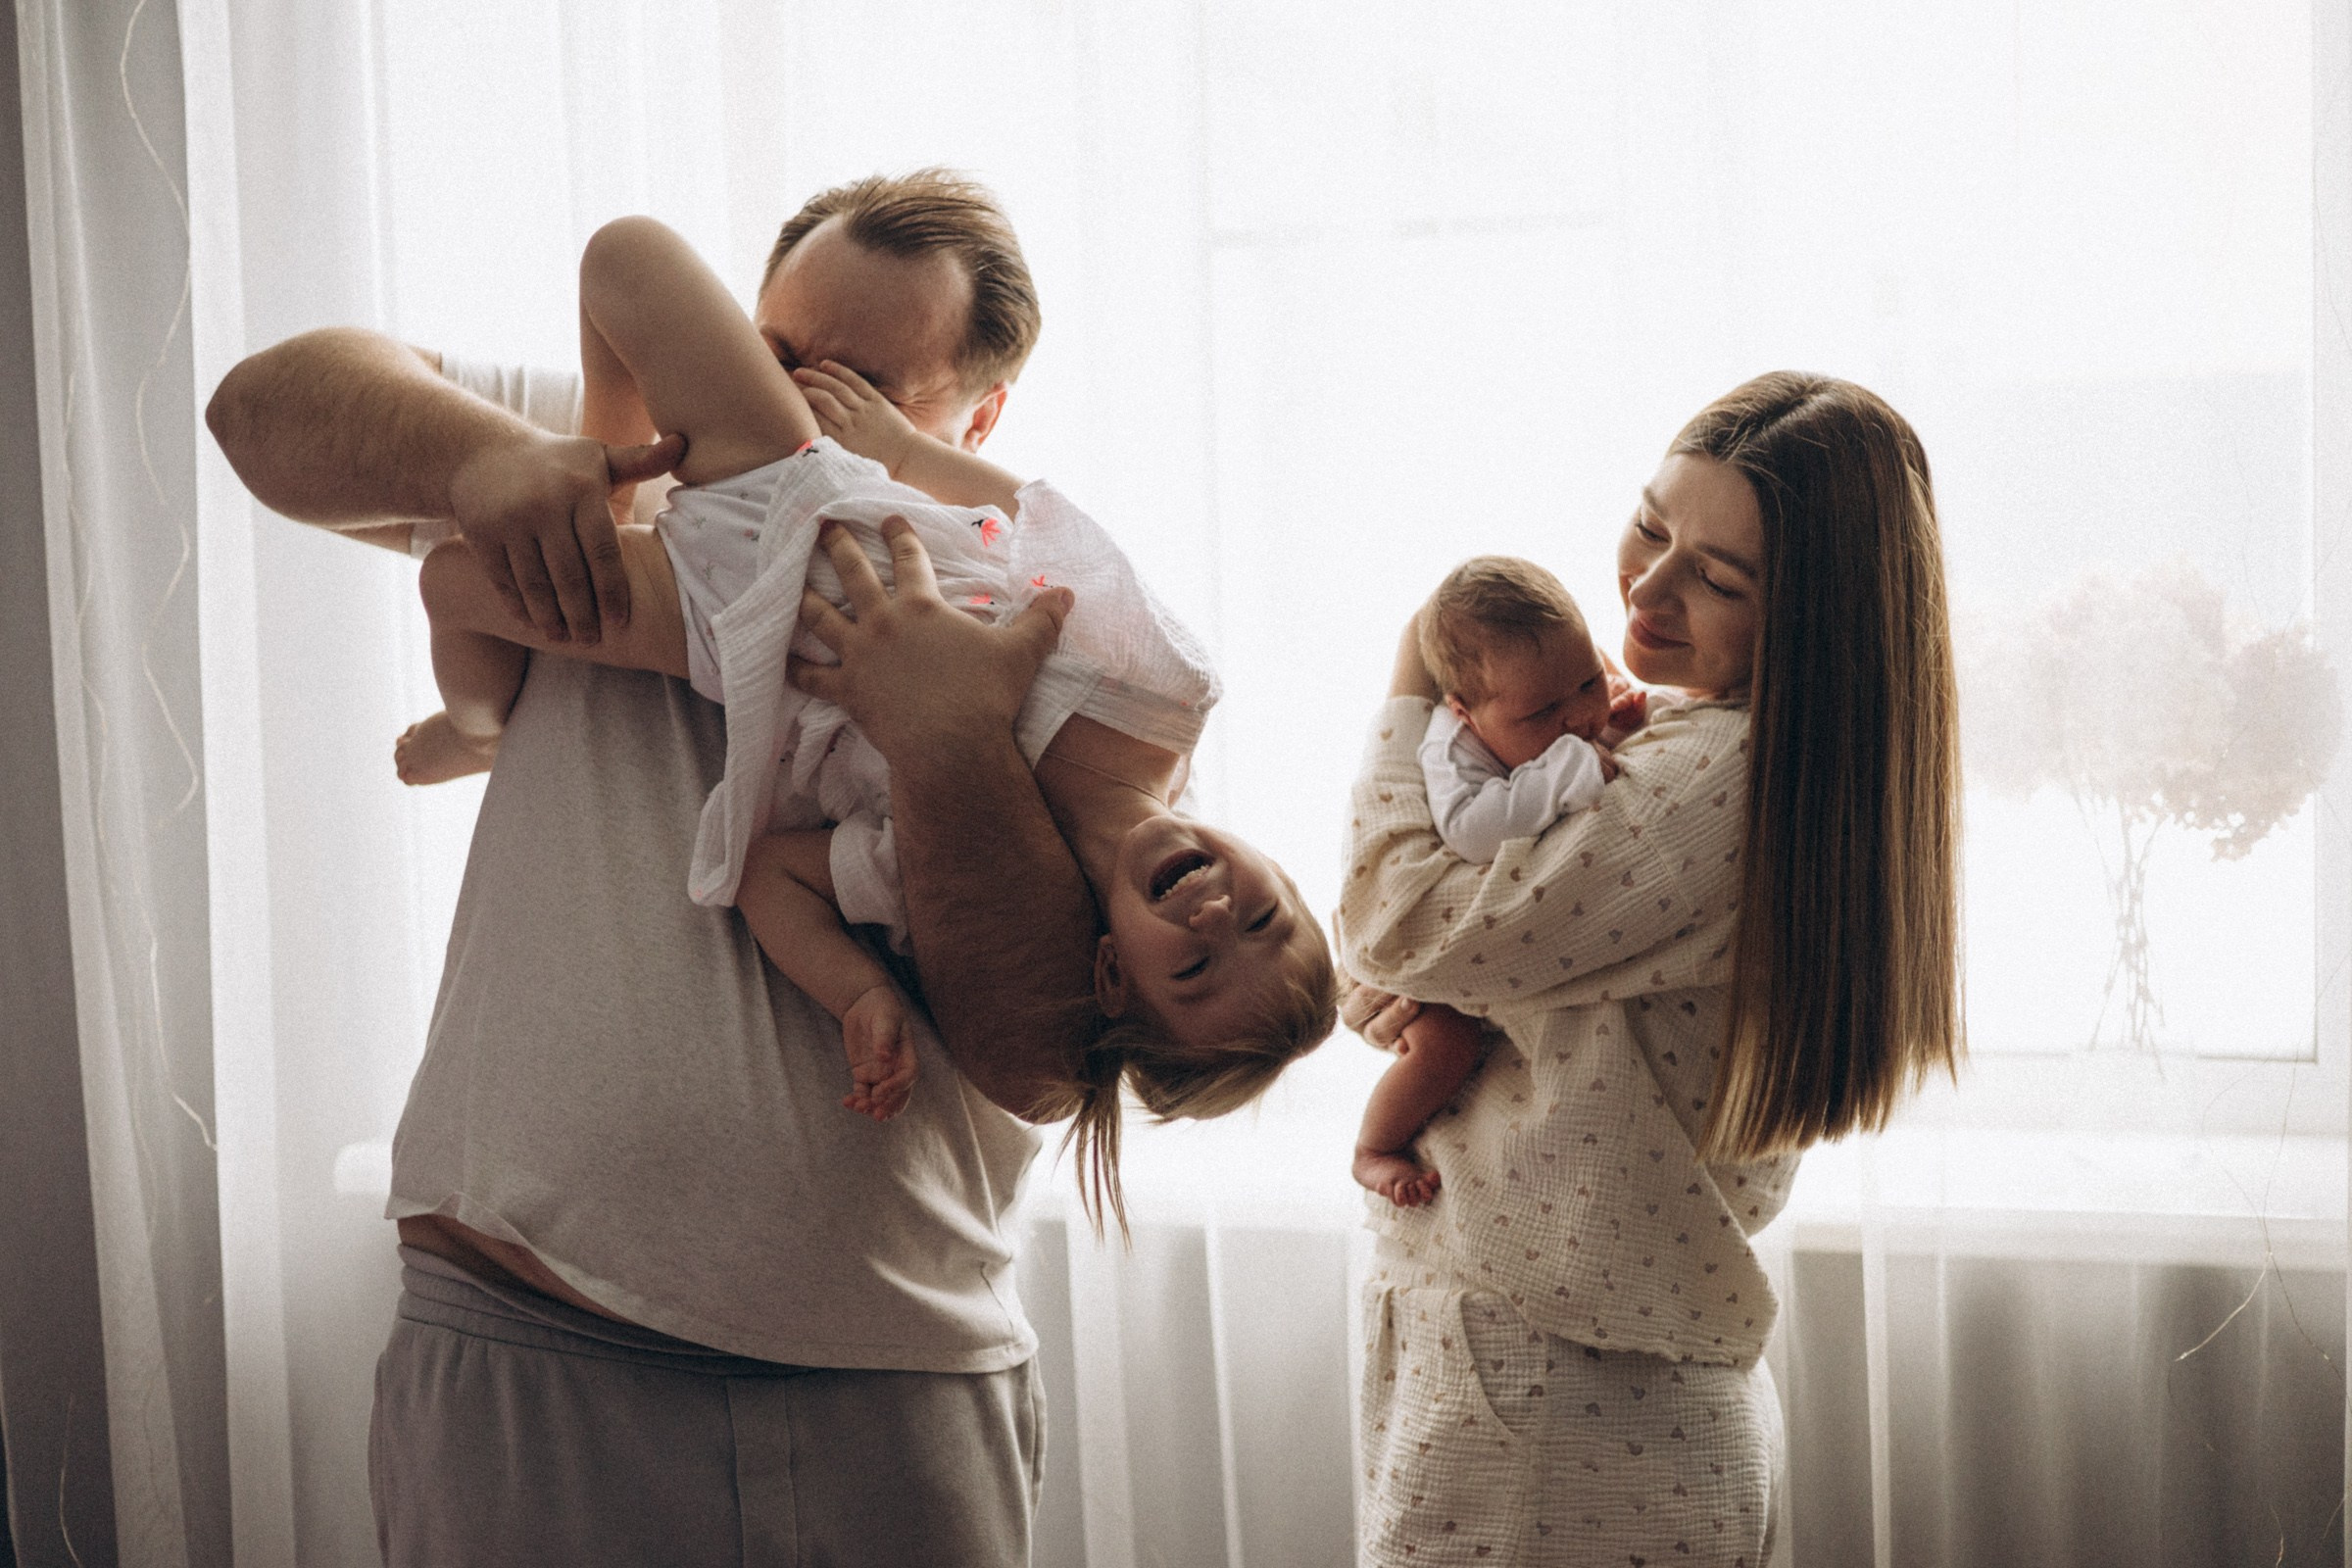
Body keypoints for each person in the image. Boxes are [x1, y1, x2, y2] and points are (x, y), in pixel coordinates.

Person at [207, 171, 1100, 1568]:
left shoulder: (1043, 603)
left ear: (972, 424)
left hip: (889, 1387)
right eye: (774, 347)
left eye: (854, 381)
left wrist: (948, 737)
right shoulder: (618, 448)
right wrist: (474, 464)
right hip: (523, 1349)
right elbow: (261, 408)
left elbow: (1049, 1051)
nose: (792, 399)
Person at [394, 213, 1335, 1146]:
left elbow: (773, 878)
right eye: (1263, 916)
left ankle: (478, 724)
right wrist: (910, 450)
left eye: (1196, 969)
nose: (1215, 913)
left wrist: (859, 991)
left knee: (456, 584)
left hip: (736, 633)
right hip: (811, 489)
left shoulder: (959, 864)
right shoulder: (1168, 696)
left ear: (1113, 979)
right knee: (625, 255)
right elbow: (1045, 520)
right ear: (1284, 872)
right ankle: (614, 498)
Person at [1338, 371, 1963, 1567]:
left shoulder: (1703, 786)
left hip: (1555, 1396)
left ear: (1818, 622)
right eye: (1651, 525)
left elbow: (1387, 917)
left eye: (1719, 578)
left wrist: (1416, 671)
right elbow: (1405, 961)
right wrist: (1437, 974)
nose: (1647, 585)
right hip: (1550, 1371)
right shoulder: (1671, 744)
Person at [1351, 555, 1622, 1206]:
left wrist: (1614, 709)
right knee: (1445, 1046)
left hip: (1493, 947)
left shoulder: (1541, 697)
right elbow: (1473, 833)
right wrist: (1574, 769)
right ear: (1465, 713)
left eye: (1590, 681)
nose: (1580, 716)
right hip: (1432, 972)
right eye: (1543, 714)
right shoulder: (1450, 754)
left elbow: (1578, 715)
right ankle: (1374, 1147)